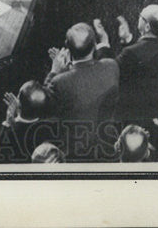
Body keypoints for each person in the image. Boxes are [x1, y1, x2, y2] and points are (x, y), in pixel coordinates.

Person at [94, 5, 158, 138]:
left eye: (141, 17)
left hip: (133, 118)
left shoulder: (130, 53)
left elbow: (109, 70)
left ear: (147, 27)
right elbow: (143, 57)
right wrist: (128, 40)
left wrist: (104, 43)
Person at [44, 22, 120, 161]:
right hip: (108, 141)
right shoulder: (112, 65)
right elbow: (94, 70)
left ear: (68, 47)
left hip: (77, 149)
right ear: (95, 45)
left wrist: (54, 72)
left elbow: (45, 105)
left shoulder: (59, 82)